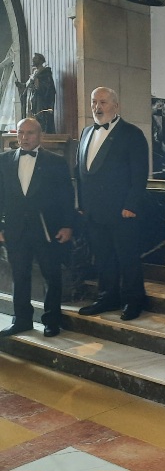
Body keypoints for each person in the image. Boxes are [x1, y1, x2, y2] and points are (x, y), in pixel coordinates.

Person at [76, 87, 149, 321]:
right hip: (93, 212)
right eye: (94, 102)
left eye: (103, 102)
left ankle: (133, 301)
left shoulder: (132, 134)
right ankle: (107, 297)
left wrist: (132, 205)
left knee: (127, 258)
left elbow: (139, 175)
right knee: (103, 257)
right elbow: (79, 172)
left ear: (116, 106)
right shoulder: (86, 132)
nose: (97, 107)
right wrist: (81, 203)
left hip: (122, 211)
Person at [0, 118, 73, 337]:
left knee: (51, 275)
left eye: (30, 133)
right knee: (19, 276)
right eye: (21, 133)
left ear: (40, 136)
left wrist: (68, 226)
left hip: (46, 229)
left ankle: (52, 320)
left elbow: (67, 198)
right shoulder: (3, 161)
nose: (24, 137)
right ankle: (21, 320)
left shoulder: (56, 162)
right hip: (15, 230)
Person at [15, 53, 56, 133]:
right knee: (31, 118)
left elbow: (47, 88)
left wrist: (38, 83)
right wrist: (20, 85)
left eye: (35, 59)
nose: (33, 60)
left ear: (41, 61)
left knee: (39, 119)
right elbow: (27, 86)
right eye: (33, 58)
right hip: (32, 100)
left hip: (40, 102)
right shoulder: (35, 72)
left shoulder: (45, 73)